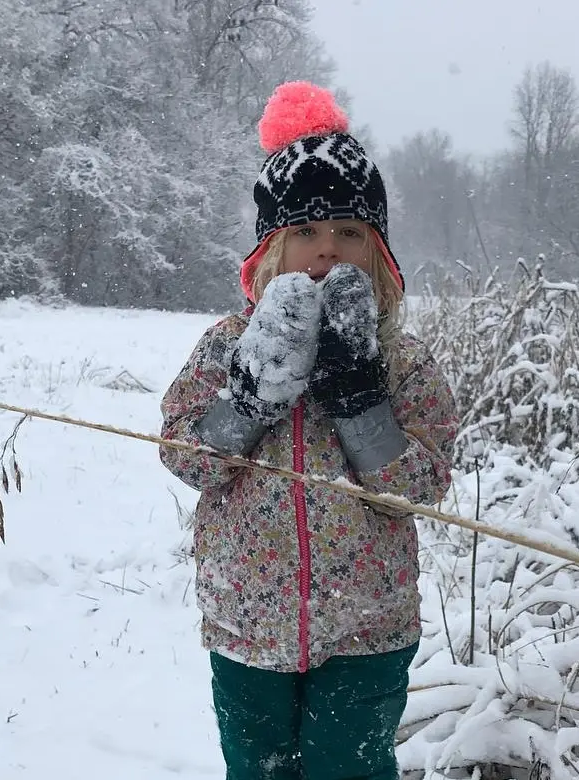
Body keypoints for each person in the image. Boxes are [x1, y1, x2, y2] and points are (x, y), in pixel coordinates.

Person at [159, 81, 459, 780]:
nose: (328, 251)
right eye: (306, 232)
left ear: (377, 250)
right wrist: (251, 397)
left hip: (367, 627)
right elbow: (185, 454)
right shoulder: (224, 345)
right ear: (271, 249)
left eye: (350, 232)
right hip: (246, 621)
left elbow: (422, 484)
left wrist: (360, 399)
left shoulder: (402, 361)